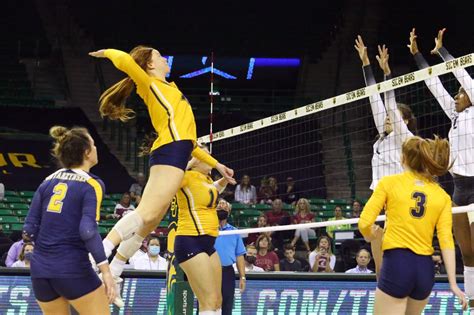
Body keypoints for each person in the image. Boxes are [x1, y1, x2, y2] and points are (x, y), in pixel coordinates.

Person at [89, 47, 235, 307]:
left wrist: (217, 165)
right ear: (149, 64)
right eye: (158, 55)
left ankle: (116, 270)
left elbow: (191, 140)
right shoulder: (150, 84)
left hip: (177, 150)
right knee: (145, 214)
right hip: (170, 151)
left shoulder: (171, 89)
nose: (165, 58)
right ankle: (98, 256)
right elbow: (125, 61)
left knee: (150, 220)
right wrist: (108, 52)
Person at [358, 135, 467, 313]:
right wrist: (453, 284)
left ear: (403, 158)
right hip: (425, 270)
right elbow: (446, 241)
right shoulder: (442, 196)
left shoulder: (389, 183)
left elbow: (364, 223)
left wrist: (371, 236)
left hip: (398, 263)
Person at [408, 28, 474, 309]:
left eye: (461, 94)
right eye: (457, 95)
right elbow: (433, 85)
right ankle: (471, 299)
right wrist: (418, 56)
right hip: (459, 188)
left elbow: (464, 78)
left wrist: (442, 52)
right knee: (467, 253)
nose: (457, 97)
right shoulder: (455, 115)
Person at [23, 126, 115, 315]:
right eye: (94, 145)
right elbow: (88, 231)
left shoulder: (47, 180)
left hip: (41, 271)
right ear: (87, 152)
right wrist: (106, 271)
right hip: (72, 268)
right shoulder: (92, 183)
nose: (97, 149)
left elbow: (29, 229)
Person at [355, 38, 417, 275]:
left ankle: (396, 276)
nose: (389, 118)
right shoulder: (383, 134)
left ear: (405, 121)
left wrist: (388, 74)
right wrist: (366, 64)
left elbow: (389, 103)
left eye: (395, 117)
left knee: (393, 238)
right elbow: (373, 97)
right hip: (379, 193)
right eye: (389, 117)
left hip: (397, 195)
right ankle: (382, 279)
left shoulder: (404, 137)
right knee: (372, 233)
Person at [173, 153, 232, 315]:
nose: (211, 161)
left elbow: (213, 190)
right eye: (206, 157)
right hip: (190, 241)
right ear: (196, 162)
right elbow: (170, 178)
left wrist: (225, 179)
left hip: (208, 244)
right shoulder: (186, 176)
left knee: (217, 300)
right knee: (209, 300)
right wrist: (190, 161)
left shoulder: (205, 179)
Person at [214, 199, 246, 315]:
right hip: (209, 271)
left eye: (225, 207)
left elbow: (239, 255)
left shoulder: (234, 232)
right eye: (219, 207)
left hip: (227, 272)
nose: (222, 209)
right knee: (207, 303)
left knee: (227, 305)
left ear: (229, 211)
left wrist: (242, 277)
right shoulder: (206, 229)